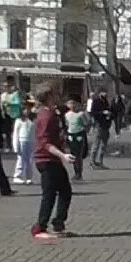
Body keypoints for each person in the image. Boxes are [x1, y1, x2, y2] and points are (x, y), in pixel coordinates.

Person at [31, 83, 74, 240]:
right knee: (49, 194)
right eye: (55, 94)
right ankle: (40, 227)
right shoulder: (46, 115)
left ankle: (58, 223)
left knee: (65, 191)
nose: (58, 97)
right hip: (47, 159)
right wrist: (62, 155)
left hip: (53, 158)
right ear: (49, 96)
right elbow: (44, 141)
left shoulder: (50, 113)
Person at [63, 98, 88, 180]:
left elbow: (86, 123)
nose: (72, 106)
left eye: (74, 104)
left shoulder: (80, 114)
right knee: (73, 155)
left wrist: (84, 130)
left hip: (79, 135)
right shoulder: (67, 115)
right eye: (70, 104)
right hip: (71, 135)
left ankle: (79, 173)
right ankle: (75, 172)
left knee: (78, 155)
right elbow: (66, 125)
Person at [11, 108, 36, 185]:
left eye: (28, 109)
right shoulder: (19, 121)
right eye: (25, 110)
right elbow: (15, 133)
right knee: (21, 159)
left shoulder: (33, 120)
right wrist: (15, 145)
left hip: (31, 141)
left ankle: (29, 177)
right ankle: (17, 176)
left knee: (30, 160)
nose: (27, 111)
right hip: (22, 141)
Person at [88, 91, 111, 168]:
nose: (105, 94)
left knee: (104, 144)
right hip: (99, 124)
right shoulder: (96, 102)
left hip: (106, 125)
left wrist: (110, 114)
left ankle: (100, 161)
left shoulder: (106, 102)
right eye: (103, 92)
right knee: (96, 143)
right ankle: (92, 161)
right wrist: (102, 112)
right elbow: (92, 113)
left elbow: (111, 110)